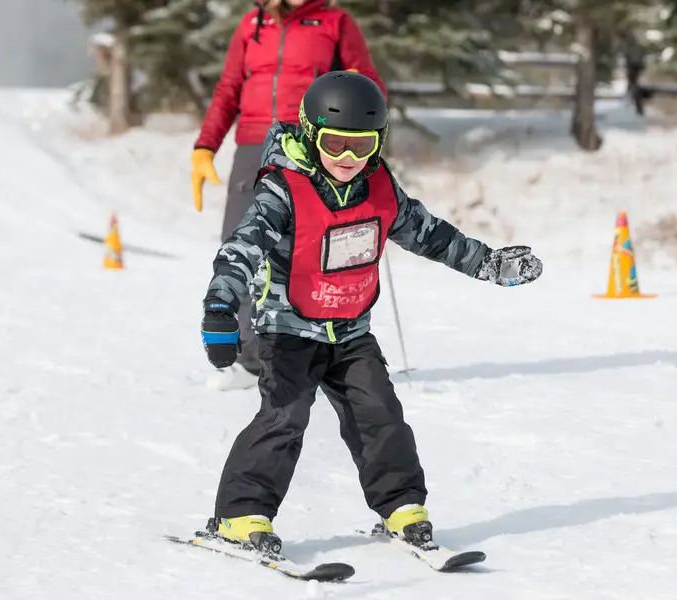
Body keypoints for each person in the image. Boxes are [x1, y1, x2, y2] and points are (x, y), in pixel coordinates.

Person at [198, 72, 543, 551]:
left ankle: (402, 507)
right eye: (335, 143)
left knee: (380, 414)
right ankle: (241, 516)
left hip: (351, 332)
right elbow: (241, 249)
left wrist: (489, 263)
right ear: (309, 133)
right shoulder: (283, 190)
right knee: (284, 417)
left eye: (361, 147)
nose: (347, 159)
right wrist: (220, 307)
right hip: (288, 329)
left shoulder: (378, 186)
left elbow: (433, 236)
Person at [190, 0, 385, 391]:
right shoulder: (252, 23)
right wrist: (205, 146)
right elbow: (229, 87)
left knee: (305, 255)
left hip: (309, 146)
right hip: (252, 146)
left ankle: (314, 352)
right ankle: (247, 359)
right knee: (242, 245)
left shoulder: (335, 22)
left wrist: (361, 125)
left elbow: (369, 86)